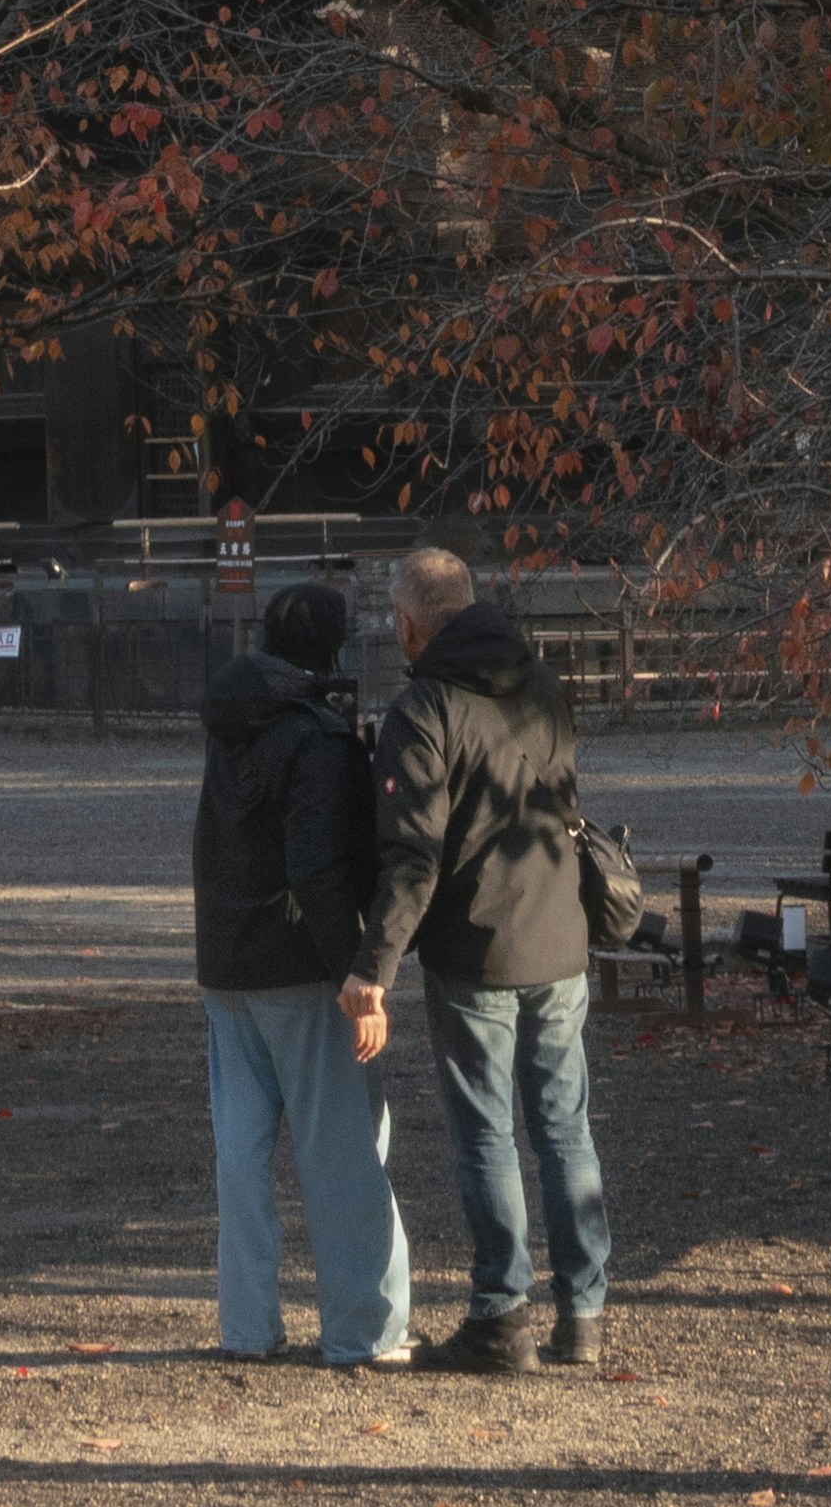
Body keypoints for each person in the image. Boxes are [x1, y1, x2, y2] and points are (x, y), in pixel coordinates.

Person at [344, 542, 611, 1378]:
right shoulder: (543, 686)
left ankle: (502, 1311)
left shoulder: (423, 710)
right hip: (560, 933)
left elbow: (413, 857)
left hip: (477, 946)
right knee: (564, 1126)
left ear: (407, 624)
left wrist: (374, 968)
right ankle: (585, 1313)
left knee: (487, 1134)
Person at [191, 577, 411, 1372]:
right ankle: (363, 1329)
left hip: (226, 962)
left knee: (241, 1154)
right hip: (294, 965)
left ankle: (248, 1324)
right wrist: (355, 970)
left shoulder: (232, 722)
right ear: (335, 645)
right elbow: (316, 867)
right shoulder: (316, 739)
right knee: (341, 1149)